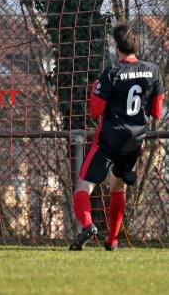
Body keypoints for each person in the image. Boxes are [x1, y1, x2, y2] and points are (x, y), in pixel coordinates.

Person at [69, 22, 164, 251]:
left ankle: (87, 225)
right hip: (134, 141)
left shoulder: (112, 72)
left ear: (116, 45)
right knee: (118, 188)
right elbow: (157, 112)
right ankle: (112, 241)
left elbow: (95, 111)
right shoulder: (153, 71)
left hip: (109, 138)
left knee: (83, 187)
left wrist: (96, 89)